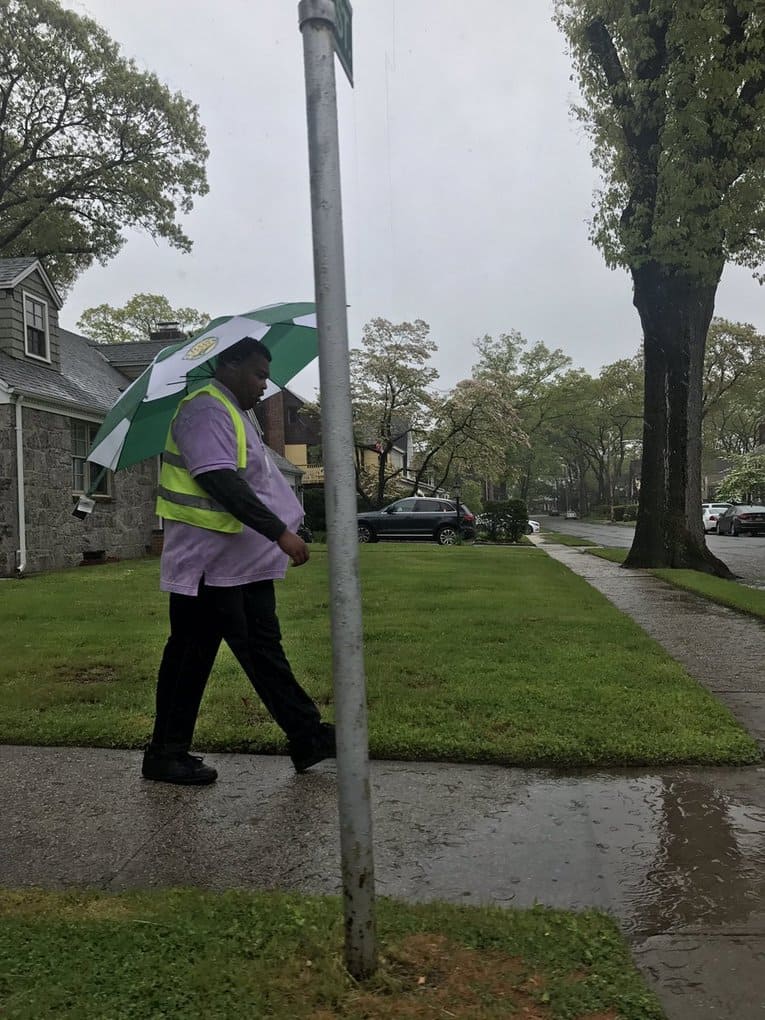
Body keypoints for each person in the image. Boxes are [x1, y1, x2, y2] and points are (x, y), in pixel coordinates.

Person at [142, 336, 335, 785]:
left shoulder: (235, 411)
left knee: (264, 652)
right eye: (258, 374)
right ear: (228, 365)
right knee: (192, 655)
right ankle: (165, 753)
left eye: (266, 375)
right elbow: (219, 481)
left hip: (241, 563)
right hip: (211, 564)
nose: (264, 385)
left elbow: (255, 476)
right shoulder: (206, 409)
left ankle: (307, 737)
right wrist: (280, 533)